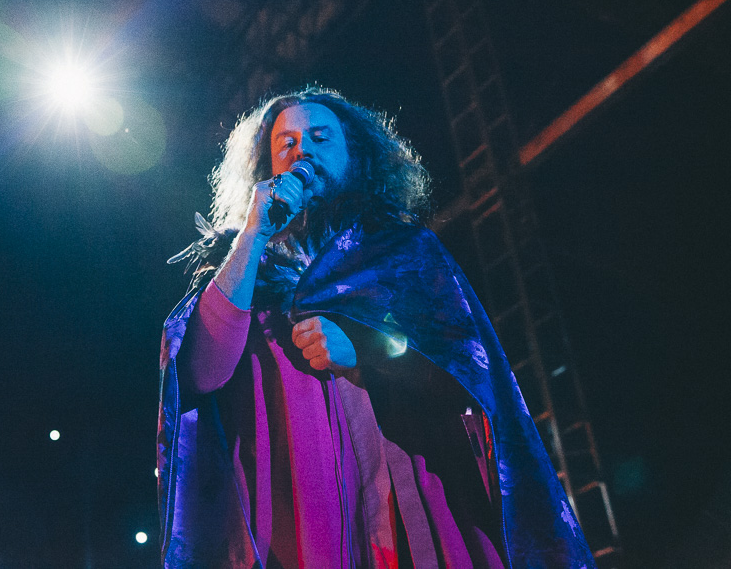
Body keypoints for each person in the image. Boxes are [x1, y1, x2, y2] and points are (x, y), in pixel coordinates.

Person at [157, 87, 596, 568]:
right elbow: (200, 373)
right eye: (287, 143)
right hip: (297, 528)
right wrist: (252, 235)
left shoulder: (403, 252)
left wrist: (365, 352)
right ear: (267, 168)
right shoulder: (241, 268)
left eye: (321, 137)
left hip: (414, 512)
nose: (303, 150)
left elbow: (469, 376)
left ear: (355, 154)